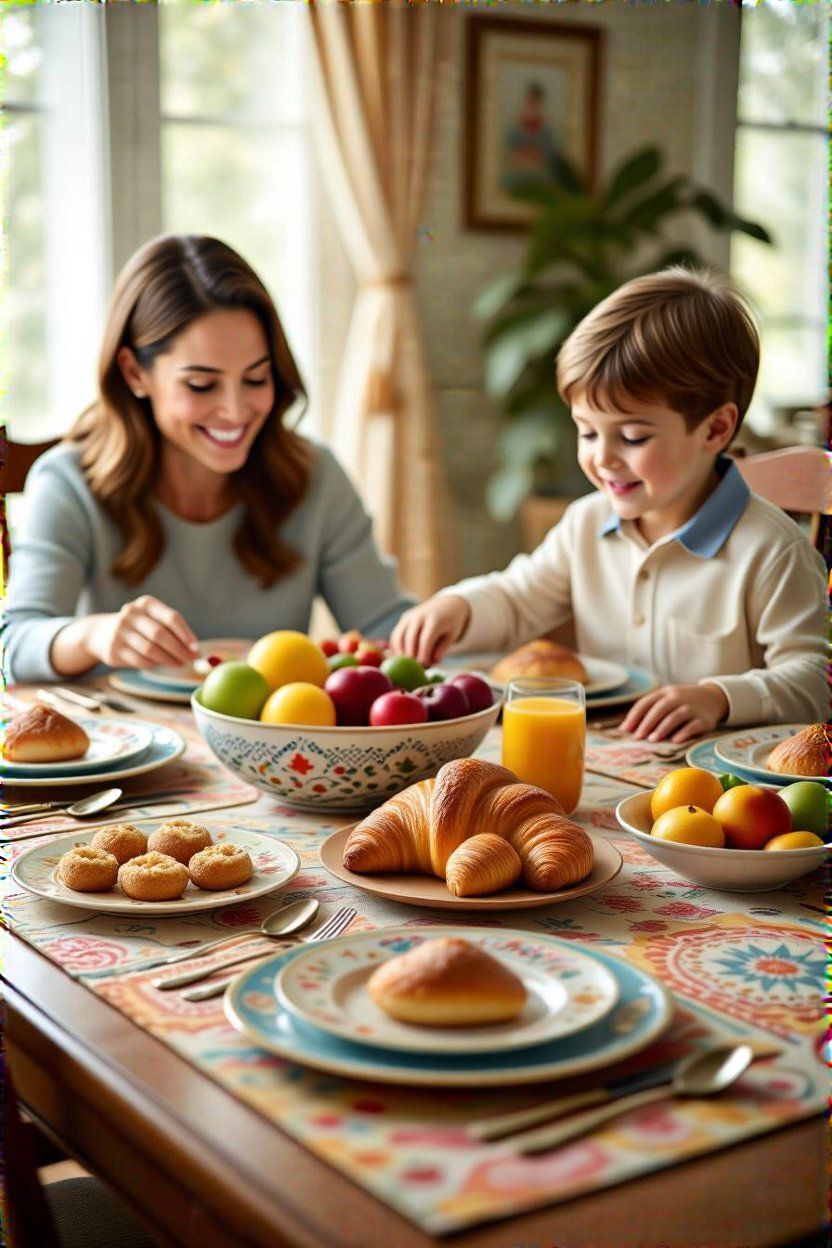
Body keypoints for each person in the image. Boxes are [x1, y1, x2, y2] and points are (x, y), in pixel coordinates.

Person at [392, 268, 827, 743]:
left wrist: (720, 698)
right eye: (587, 431)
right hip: (605, 765)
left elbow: (815, 681)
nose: (602, 457)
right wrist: (459, 606)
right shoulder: (587, 523)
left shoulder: (770, 549)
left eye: (633, 436)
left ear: (715, 430)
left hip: (722, 796)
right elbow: (518, 600)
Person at [2, 234, 415, 684]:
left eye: (256, 378)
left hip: (269, 752)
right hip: (131, 745)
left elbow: (384, 628)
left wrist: (479, 609)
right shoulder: (68, 483)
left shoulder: (315, 476)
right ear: (135, 372)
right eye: (202, 385)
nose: (236, 411)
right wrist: (93, 635)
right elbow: (14, 642)